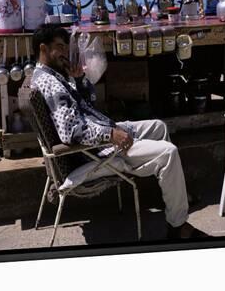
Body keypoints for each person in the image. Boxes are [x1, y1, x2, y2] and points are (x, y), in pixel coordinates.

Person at [31, 23, 205, 239]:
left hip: (100, 132)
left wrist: (79, 80)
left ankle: (167, 195)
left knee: (158, 127)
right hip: (95, 152)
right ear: (43, 49)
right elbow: (71, 131)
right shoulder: (50, 83)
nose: (65, 53)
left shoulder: (54, 76)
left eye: (66, 47)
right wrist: (110, 135)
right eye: (59, 47)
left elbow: (87, 107)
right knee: (168, 153)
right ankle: (178, 226)